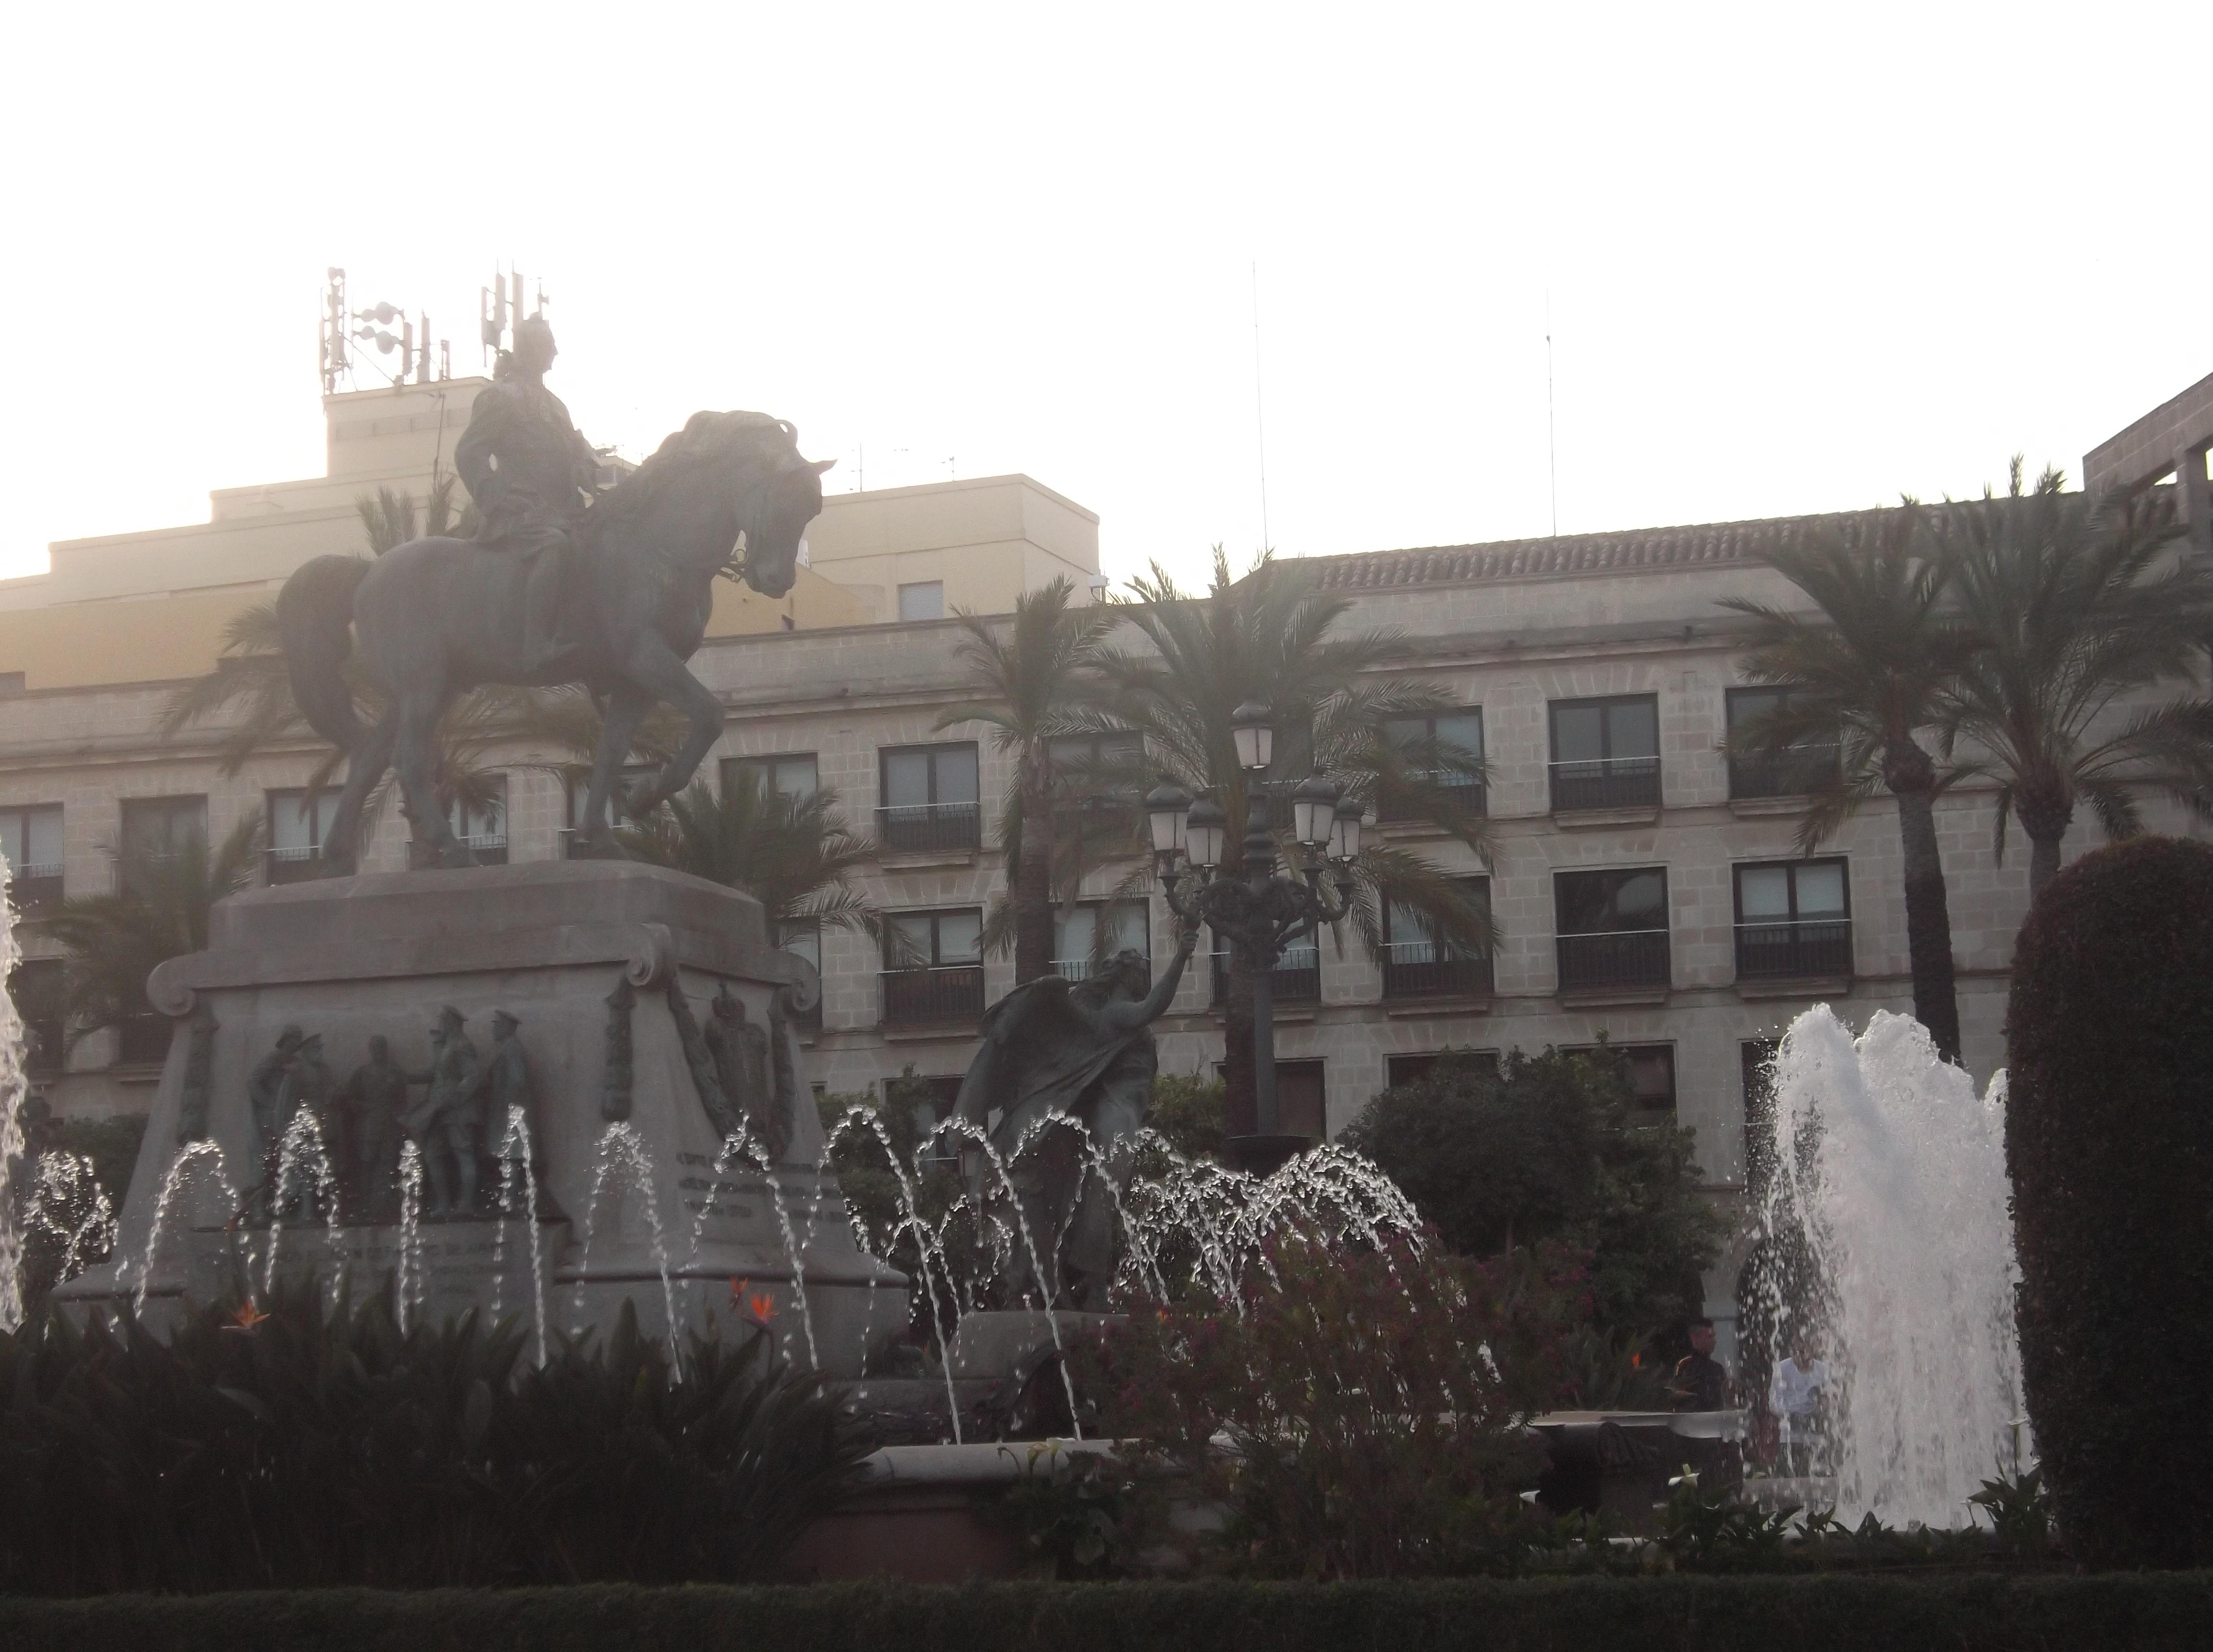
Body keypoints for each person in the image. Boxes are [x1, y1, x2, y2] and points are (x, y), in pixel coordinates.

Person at [954, 924, 1200, 1308]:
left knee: (1082, 1194)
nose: (1146, 975)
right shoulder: (1117, 1013)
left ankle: (1064, 1281)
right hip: (1114, 1114)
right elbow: (1154, 1006)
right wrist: (1181, 959)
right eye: (1142, 970)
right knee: (1093, 1190)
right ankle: (1078, 1280)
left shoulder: (1105, 1019)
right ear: (1129, 976)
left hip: (1114, 1113)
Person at [452, 315, 602, 673]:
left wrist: (584, 463)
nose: (555, 352)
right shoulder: (499, 398)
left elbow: (576, 447)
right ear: (529, 349)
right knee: (555, 548)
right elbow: (468, 452)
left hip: (564, 508)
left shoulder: (555, 405)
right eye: (549, 344)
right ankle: (536, 645)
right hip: (523, 512)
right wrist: (496, 495)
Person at [1768, 1327, 1829, 1475]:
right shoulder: (1782, 1369)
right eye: (1794, 1352)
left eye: (1802, 1352)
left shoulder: (1823, 1370)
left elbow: (1829, 1403)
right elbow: (1773, 1403)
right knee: (1790, 1477)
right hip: (1790, 1438)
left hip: (1815, 1437)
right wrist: (1792, 1413)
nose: (1798, 1357)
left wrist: (1821, 1409)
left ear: (1813, 1350)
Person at [1670, 1316, 1735, 1412]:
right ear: (1695, 1339)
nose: (1714, 1341)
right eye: (1710, 1337)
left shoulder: (1717, 1368)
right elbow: (1677, 1398)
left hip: (1715, 1421)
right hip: (1693, 1421)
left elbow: (1725, 1399)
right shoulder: (1685, 1366)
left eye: (1714, 1336)